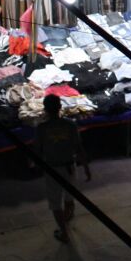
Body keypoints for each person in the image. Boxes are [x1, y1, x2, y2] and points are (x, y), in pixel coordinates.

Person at [35, 93, 90, 243]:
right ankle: (66, 220)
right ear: (60, 107)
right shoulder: (70, 125)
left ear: (45, 109)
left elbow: (37, 151)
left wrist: (36, 166)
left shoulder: (41, 128)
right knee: (69, 197)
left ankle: (63, 231)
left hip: (52, 169)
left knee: (55, 203)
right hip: (69, 166)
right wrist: (85, 167)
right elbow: (79, 148)